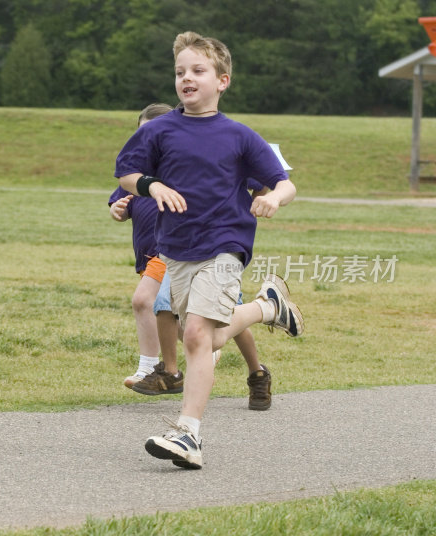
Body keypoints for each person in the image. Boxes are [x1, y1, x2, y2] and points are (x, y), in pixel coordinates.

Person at [115, 31, 304, 469]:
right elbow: (125, 173)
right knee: (202, 335)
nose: (187, 78)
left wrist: (274, 198)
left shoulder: (239, 136)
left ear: (223, 80)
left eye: (198, 71)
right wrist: (152, 185)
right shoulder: (160, 130)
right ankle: (266, 307)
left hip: (226, 244)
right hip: (178, 249)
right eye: (180, 71)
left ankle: (188, 435)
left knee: (198, 335)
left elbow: (284, 181)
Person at [111, 106, 274, 411]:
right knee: (183, 321)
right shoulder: (142, 175)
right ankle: (172, 375)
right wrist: (119, 208)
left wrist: (264, 198)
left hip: (216, 251)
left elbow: (266, 178)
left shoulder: (209, 154)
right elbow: (123, 190)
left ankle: (256, 369)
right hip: (170, 252)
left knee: (215, 323)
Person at [109, 103, 183, 395]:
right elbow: (120, 206)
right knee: (171, 318)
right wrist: (118, 210)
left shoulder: (179, 170)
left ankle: (150, 367)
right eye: (142, 134)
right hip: (145, 257)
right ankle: (210, 342)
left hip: (169, 252)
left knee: (144, 302)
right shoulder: (134, 174)